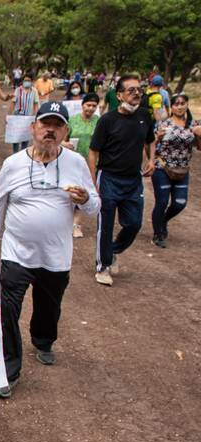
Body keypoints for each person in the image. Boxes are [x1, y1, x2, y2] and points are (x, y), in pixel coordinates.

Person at [0, 102, 100, 399]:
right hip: (16, 252)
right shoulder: (12, 164)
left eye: (57, 125)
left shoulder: (76, 162)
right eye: (45, 124)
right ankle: (8, 370)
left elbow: (94, 207)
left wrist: (86, 197)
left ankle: (43, 339)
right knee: (7, 309)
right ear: (33, 128)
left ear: (65, 131)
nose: (50, 130)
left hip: (56, 255)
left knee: (48, 307)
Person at [88, 74, 156, 286]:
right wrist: (92, 181)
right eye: (131, 90)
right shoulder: (107, 120)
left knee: (134, 223)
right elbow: (93, 152)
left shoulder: (145, 116)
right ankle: (103, 266)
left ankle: (111, 250)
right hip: (108, 177)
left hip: (133, 180)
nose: (137, 94)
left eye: (139, 90)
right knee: (105, 225)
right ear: (119, 95)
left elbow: (150, 141)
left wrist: (152, 159)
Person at [151, 93, 201, 247]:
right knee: (162, 202)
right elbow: (152, 143)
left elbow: (199, 147)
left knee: (180, 203)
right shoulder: (163, 124)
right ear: (171, 107)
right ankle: (158, 235)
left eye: (183, 103)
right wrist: (157, 141)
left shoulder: (194, 124)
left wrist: (199, 136)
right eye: (176, 104)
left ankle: (163, 220)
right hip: (162, 168)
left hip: (182, 170)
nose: (179, 106)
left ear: (187, 105)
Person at [63, 93, 100, 238]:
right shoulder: (72, 121)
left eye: (93, 106)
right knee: (69, 190)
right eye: (88, 105)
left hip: (91, 163)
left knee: (82, 192)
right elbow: (62, 140)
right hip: (72, 161)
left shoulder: (99, 122)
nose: (90, 108)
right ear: (82, 105)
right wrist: (65, 144)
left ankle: (76, 225)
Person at [11, 73, 40, 153]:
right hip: (17, 117)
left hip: (28, 118)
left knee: (25, 138)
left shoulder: (34, 91)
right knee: (16, 138)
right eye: (25, 80)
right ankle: (15, 154)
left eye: (29, 80)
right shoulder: (18, 90)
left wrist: (35, 117)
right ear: (22, 81)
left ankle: (23, 154)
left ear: (32, 81)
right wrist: (9, 116)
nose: (27, 82)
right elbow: (13, 103)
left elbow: (36, 104)